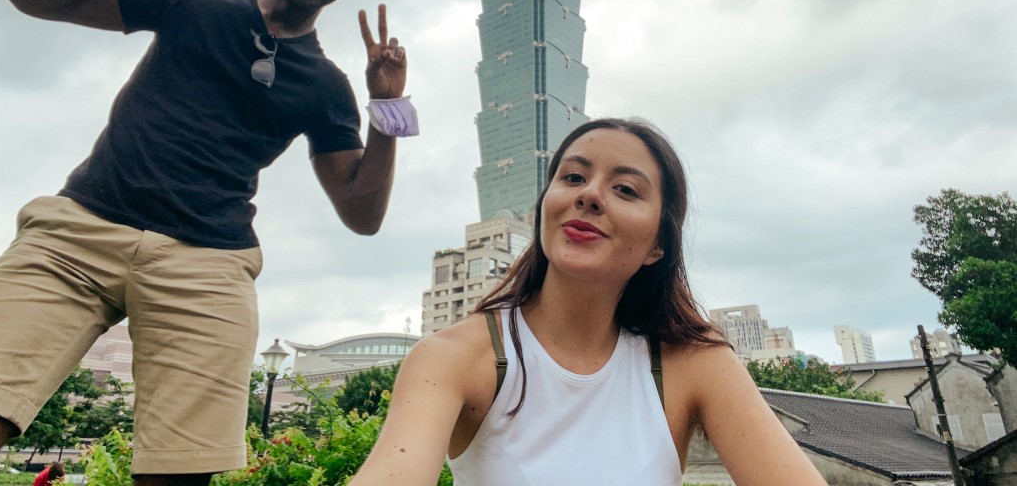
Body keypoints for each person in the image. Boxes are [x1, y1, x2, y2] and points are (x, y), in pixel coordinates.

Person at [0, 0, 414, 486]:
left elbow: (363, 215)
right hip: (79, 233)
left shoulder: (326, 86)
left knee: (177, 474)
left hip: (208, 264)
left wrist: (389, 107)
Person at [349, 118, 828, 486]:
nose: (591, 195)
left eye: (625, 189)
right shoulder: (455, 357)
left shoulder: (696, 363)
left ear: (658, 245)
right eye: (573, 177)